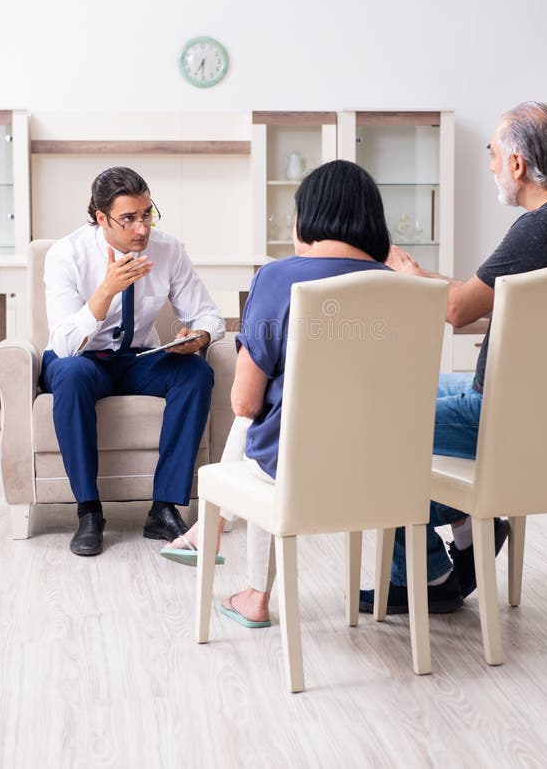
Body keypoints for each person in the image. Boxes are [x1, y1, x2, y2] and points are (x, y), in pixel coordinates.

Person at [163, 158, 465, 625]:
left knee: (260, 425)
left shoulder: (277, 278)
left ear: (305, 217)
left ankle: (249, 586)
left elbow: (244, 402)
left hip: (296, 468)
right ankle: (221, 541)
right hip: (387, 468)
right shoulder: (408, 287)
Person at [359, 101, 547, 613]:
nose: (491, 166)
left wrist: (409, 279)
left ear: (518, 165)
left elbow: (458, 310)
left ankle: (427, 577)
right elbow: (481, 296)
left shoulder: (541, 228)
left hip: (503, 413)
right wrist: (421, 275)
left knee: (377, 422)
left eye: (493, 155)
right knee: (407, 387)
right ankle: (467, 530)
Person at [41, 166, 225, 557]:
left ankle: (163, 508)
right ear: (101, 218)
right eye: (128, 218)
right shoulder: (66, 254)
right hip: (82, 360)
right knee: (71, 373)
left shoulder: (169, 250)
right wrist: (105, 292)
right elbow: (63, 343)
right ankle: (89, 511)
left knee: (195, 372)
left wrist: (200, 336)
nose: (142, 228)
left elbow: (208, 314)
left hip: (138, 357)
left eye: (147, 214)